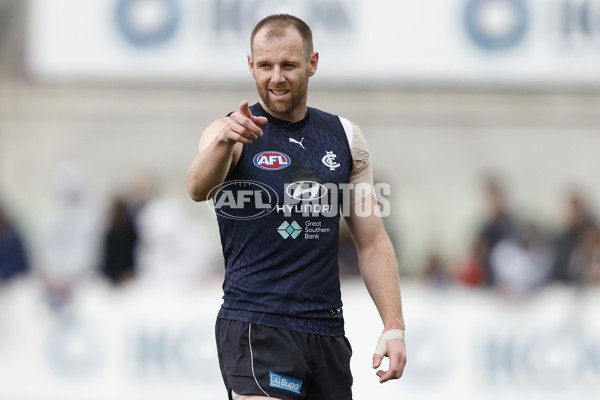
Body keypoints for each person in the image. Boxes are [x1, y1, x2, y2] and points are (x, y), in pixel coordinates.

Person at [187, 14, 406, 400]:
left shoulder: (345, 137)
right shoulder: (231, 132)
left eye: (288, 65)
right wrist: (224, 141)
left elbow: (371, 242)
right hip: (257, 324)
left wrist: (393, 326)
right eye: (266, 66)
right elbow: (196, 188)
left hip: (326, 334)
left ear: (312, 63)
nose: (276, 77)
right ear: (251, 65)